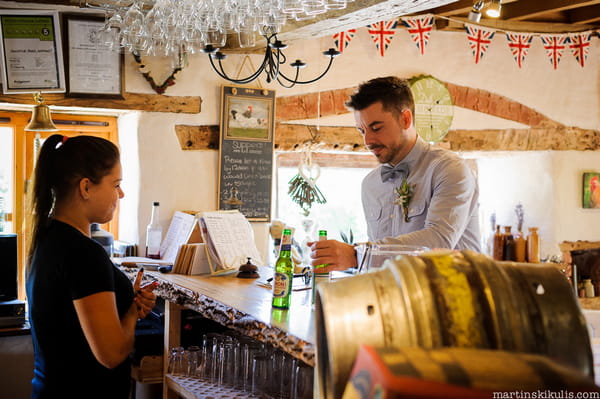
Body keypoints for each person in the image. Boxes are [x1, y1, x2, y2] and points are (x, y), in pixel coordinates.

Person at [26, 134, 157, 398]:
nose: (121, 193)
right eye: (116, 184)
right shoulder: (83, 253)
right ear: (86, 188)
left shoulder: (47, 236)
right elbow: (111, 355)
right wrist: (131, 313)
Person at [310, 76, 481, 271]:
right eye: (362, 130)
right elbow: (380, 262)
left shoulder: (449, 169)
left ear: (405, 119)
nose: (368, 140)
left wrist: (357, 255)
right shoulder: (370, 184)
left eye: (376, 128)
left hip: (452, 297)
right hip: (398, 297)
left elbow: (439, 241)